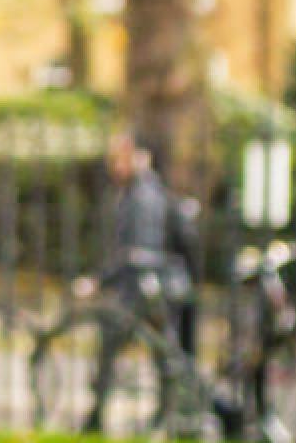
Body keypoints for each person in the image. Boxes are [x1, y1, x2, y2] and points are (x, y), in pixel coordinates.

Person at [84, 130, 204, 434]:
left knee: (131, 349)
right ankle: (174, 417)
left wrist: (99, 280)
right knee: (166, 356)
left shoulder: (143, 196)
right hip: (153, 285)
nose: (115, 165)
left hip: (148, 287)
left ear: (141, 157)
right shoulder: (141, 191)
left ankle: (100, 416)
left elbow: (137, 252)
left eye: (121, 157)